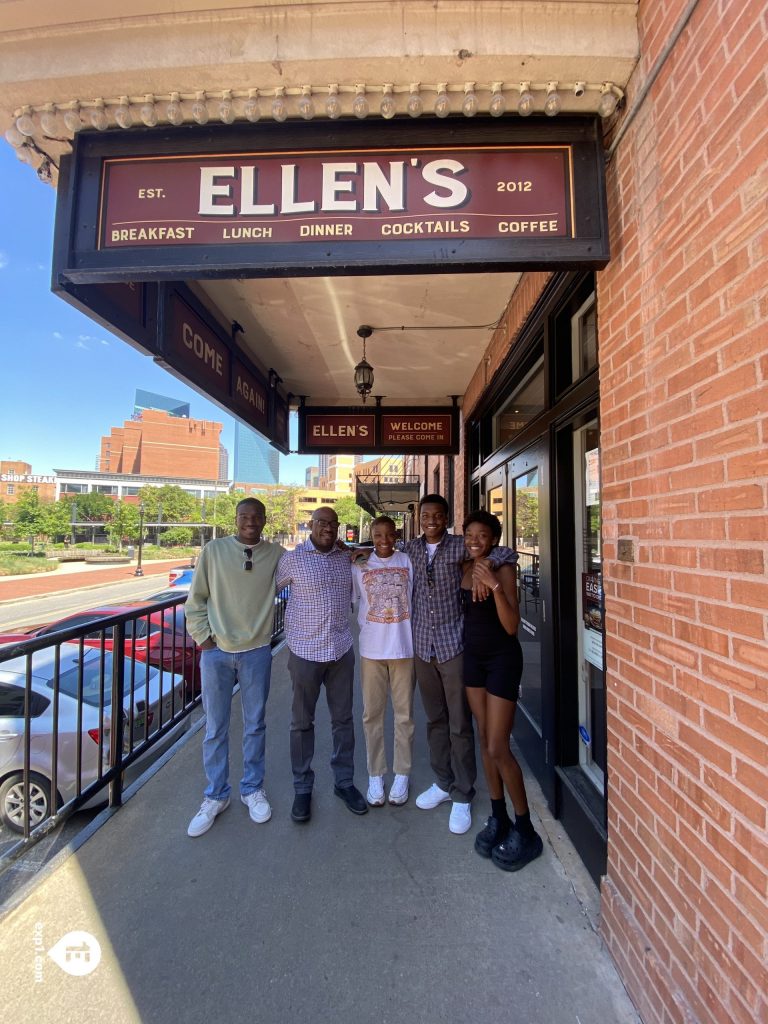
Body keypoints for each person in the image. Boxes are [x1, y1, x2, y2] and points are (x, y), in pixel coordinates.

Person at [405, 494, 516, 835]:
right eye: (426, 515)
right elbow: (379, 553)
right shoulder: (409, 549)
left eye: (438, 515)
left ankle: (463, 793)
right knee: (435, 720)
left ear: (447, 517)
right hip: (423, 648)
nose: (432, 520)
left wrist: (489, 568)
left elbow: (502, 551)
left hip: (454, 647)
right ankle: (443, 781)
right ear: (419, 518)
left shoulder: (459, 547)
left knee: (459, 723)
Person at [184, 498, 284, 837]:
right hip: (217, 653)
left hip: (256, 651)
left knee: (255, 724)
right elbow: (195, 600)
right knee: (215, 727)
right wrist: (204, 640)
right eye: (245, 516)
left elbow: (308, 564)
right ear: (236, 518)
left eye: (257, 517)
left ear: (265, 520)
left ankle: (252, 789)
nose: (250, 522)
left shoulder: (276, 554)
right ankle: (215, 795)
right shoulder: (213, 551)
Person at [461, 509, 543, 871]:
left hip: (502, 660)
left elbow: (511, 627)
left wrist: (493, 584)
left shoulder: (505, 568)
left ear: (494, 539)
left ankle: (526, 829)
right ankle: (499, 817)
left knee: (498, 745)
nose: (474, 541)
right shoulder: (463, 568)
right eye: (469, 535)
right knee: (483, 739)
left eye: (482, 535)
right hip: (472, 660)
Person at [275, 506, 367, 823]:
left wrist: (354, 550)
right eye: (321, 523)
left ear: (339, 527)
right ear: (311, 525)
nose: (327, 528)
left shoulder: (346, 557)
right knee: (301, 723)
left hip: (341, 650)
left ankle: (344, 783)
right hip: (304, 653)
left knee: (343, 721)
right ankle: (303, 788)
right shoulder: (293, 559)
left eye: (332, 523)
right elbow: (264, 592)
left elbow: (379, 554)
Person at [351, 515, 415, 807]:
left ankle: (402, 772)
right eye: (378, 536)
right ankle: (376, 773)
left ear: (397, 535)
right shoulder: (359, 564)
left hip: (403, 648)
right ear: (371, 536)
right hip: (372, 651)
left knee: (404, 715)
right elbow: (355, 602)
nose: (384, 541)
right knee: (372, 715)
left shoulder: (407, 560)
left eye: (389, 535)